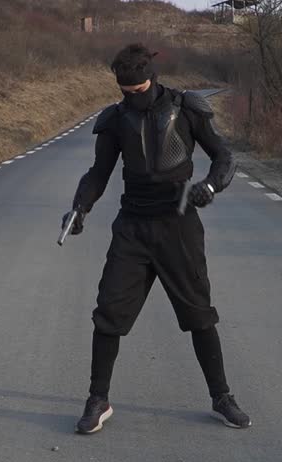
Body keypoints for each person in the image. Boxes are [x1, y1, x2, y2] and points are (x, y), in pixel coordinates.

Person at [62, 43, 251, 434]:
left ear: (153, 78)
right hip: (132, 226)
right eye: (124, 92)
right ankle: (98, 400)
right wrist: (80, 207)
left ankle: (221, 398)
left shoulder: (187, 108)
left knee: (199, 314)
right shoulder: (114, 120)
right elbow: (99, 172)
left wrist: (211, 187)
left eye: (138, 90)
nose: (131, 98)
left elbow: (225, 157)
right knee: (108, 313)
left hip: (178, 223)